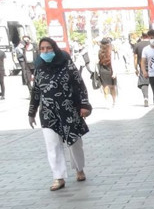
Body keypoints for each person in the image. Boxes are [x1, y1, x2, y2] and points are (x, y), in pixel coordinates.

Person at [27, 37, 92, 191]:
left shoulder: (66, 64)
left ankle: (79, 169)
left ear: (54, 48)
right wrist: (31, 112)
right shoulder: (39, 67)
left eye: (48, 48)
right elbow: (36, 91)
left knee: (74, 142)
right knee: (52, 145)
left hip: (68, 110)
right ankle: (58, 177)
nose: (45, 51)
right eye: (42, 49)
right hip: (48, 113)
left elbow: (79, 84)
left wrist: (84, 104)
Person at [97, 41, 118, 107]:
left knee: (105, 86)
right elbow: (113, 62)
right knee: (112, 87)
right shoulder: (110, 52)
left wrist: (98, 72)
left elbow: (97, 62)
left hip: (102, 71)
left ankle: (108, 101)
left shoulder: (100, 52)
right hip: (110, 70)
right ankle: (114, 101)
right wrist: (115, 72)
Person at [133, 33, 151, 107]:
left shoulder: (137, 45)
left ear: (142, 36)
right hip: (153, 65)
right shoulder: (152, 44)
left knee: (144, 82)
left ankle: (146, 98)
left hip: (142, 65)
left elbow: (135, 57)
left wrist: (136, 68)